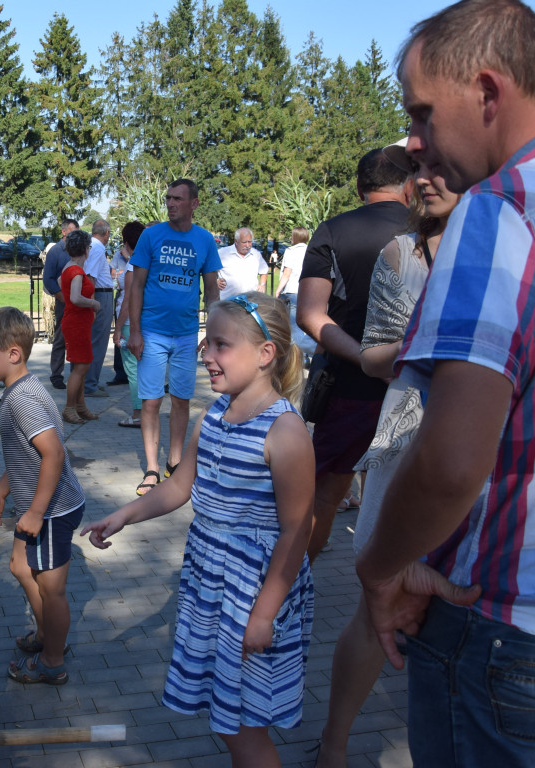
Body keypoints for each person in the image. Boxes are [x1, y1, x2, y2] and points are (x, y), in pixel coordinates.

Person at [356, 2, 535, 765]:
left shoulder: (498, 211)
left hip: (500, 631)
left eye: (423, 113)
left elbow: (453, 462)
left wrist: (379, 569)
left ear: (488, 93)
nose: (413, 140)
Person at [83, 292, 314, 768]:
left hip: (252, 592)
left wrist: (265, 613)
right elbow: (180, 487)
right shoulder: (213, 418)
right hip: (212, 583)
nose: (205, 355)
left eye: (220, 346)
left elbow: (297, 530)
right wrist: (125, 513)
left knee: (246, 728)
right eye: (206, 343)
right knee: (227, 720)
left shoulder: (285, 432)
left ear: (266, 353)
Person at [314, 144, 460, 768]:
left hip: (492, 464)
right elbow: (371, 350)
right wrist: (415, 351)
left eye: (443, 168)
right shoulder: (404, 253)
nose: (427, 179)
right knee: (380, 599)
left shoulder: (515, 247)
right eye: (421, 169)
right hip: (406, 440)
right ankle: (334, 744)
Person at [297, 149, 412, 561]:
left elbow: (311, 314)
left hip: (349, 384)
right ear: (410, 185)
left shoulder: (333, 230)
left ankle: (294, 587)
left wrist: (365, 358)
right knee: (410, 494)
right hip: (417, 384)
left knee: (324, 493)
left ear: (360, 187)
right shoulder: (436, 232)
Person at [0, 307, 85, 686]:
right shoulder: (17, 391)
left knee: (52, 590)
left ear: (13, 354)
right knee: (21, 567)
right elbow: (27, 455)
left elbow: (53, 453)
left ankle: (53, 659)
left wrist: (35, 511)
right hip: (36, 505)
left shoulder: (22, 399)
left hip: (53, 509)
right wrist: (2, 491)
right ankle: (46, 636)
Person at [128, 179, 221, 496]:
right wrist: (134, 331)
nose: (170, 203)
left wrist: (212, 332)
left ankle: (175, 462)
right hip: (151, 333)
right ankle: (152, 469)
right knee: (151, 402)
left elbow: (210, 290)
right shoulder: (151, 236)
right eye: (168, 198)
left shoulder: (205, 240)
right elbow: (136, 285)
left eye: (177, 199)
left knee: (181, 400)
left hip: (185, 335)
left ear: (194, 204)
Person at [59, 230, 101, 424]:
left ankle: (80, 407)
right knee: (81, 366)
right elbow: (75, 298)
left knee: (80, 366)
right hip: (76, 323)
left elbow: (61, 284)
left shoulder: (69, 267)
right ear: (86, 249)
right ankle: (70, 408)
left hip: (76, 322)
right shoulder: (76, 271)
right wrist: (93, 304)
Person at [112, 221, 146, 428]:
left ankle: (138, 414)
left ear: (126, 242)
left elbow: (128, 300)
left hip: (130, 323)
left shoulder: (134, 264)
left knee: (133, 370)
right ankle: (146, 412)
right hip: (147, 321)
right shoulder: (151, 261)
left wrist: (117, 329)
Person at [41, 219, 80, 390]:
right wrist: (60, 295)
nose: (75, 234)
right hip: (63, 302)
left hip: (78, 301)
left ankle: (76, 374)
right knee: (61, 338)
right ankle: (56, 375)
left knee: (77, 339)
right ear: (64, 232)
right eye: (72, 231)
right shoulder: (56, 252)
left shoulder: (77, 251)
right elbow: (48, 278)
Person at [84, 219, 115, 398]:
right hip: (100, 295)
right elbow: (90, 277)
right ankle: (90, 384)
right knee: (98, 341)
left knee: (94, 340)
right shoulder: (98, 248)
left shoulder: (91, 246)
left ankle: (89, 382)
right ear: (106, 233)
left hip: (99, 294)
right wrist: (92, 302)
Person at [274, 227, 314, 360]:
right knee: (309, 325)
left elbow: (287, 273)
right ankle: (305, 355)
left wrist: (278, 290)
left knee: (293, 327)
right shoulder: (311, 250)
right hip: (309, 291)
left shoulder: (291, 251)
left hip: (292, 291)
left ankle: (307, 353)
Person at [217, 228, 269, 300]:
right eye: (244, 242)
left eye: (250, 242)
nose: (247, 245)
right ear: (236, 241)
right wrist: (216, 281)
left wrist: (262, 284)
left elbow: (264, 270)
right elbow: (210, 270)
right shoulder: (222, 253)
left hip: (251, 301)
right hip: (228, 302)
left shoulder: (256, 254)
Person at [107, 238, 131, 386]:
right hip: (121, 295)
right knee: (120, 336)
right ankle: (120, 373)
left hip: (132, 299)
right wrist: (120, 273)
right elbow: (112, 274)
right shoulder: (117, 255)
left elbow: (126, 273)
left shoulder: (138, 256)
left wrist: (128, 259)